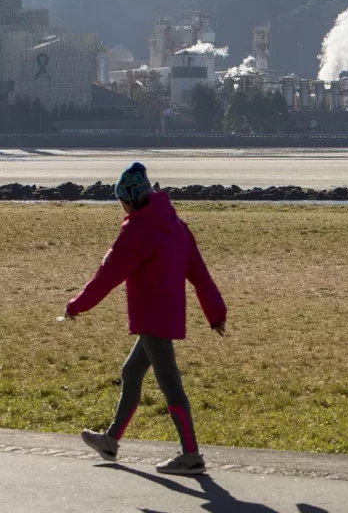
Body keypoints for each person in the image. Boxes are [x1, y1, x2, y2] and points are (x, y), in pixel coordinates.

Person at [64, 162, 227, 476]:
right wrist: (215, 313)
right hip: (166, 313)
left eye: (121, 202)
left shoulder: (137, 230)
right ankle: (110, 440)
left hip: (152, 316)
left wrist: (76, 305)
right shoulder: (175, 224)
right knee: (132, 370)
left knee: (170, 383)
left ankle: (191, 455)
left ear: (128, 200)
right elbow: (200, 274)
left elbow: (107, 275)